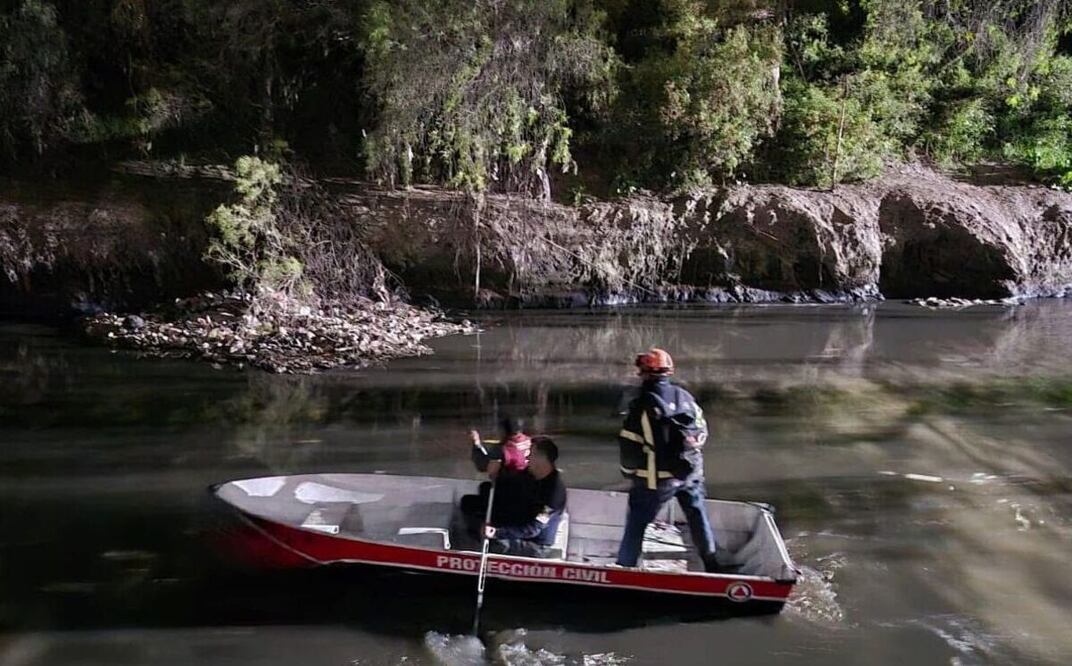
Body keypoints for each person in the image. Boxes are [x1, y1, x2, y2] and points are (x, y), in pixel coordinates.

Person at [615, 348, 720, 572]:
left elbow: (629, 449)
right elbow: (702, 432)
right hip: (690, 473)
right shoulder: (686, 397)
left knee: (637, 521)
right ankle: (711, 562)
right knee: (697, 514)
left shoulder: (641, 406)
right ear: (669, 372)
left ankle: (624, 568)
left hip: (656, 480)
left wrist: (628, 473)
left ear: (643, 373)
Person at [483, 437, 568, 558]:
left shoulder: (554, 493)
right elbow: (510, 483)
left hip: (535, 545)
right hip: (520, 524)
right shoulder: (531, 475)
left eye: (531, 454)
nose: (527, 458)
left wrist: (497, 532)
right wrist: (496, 473)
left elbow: (533, 529)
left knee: (497, 543)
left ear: (542, 458)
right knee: (477, 498)